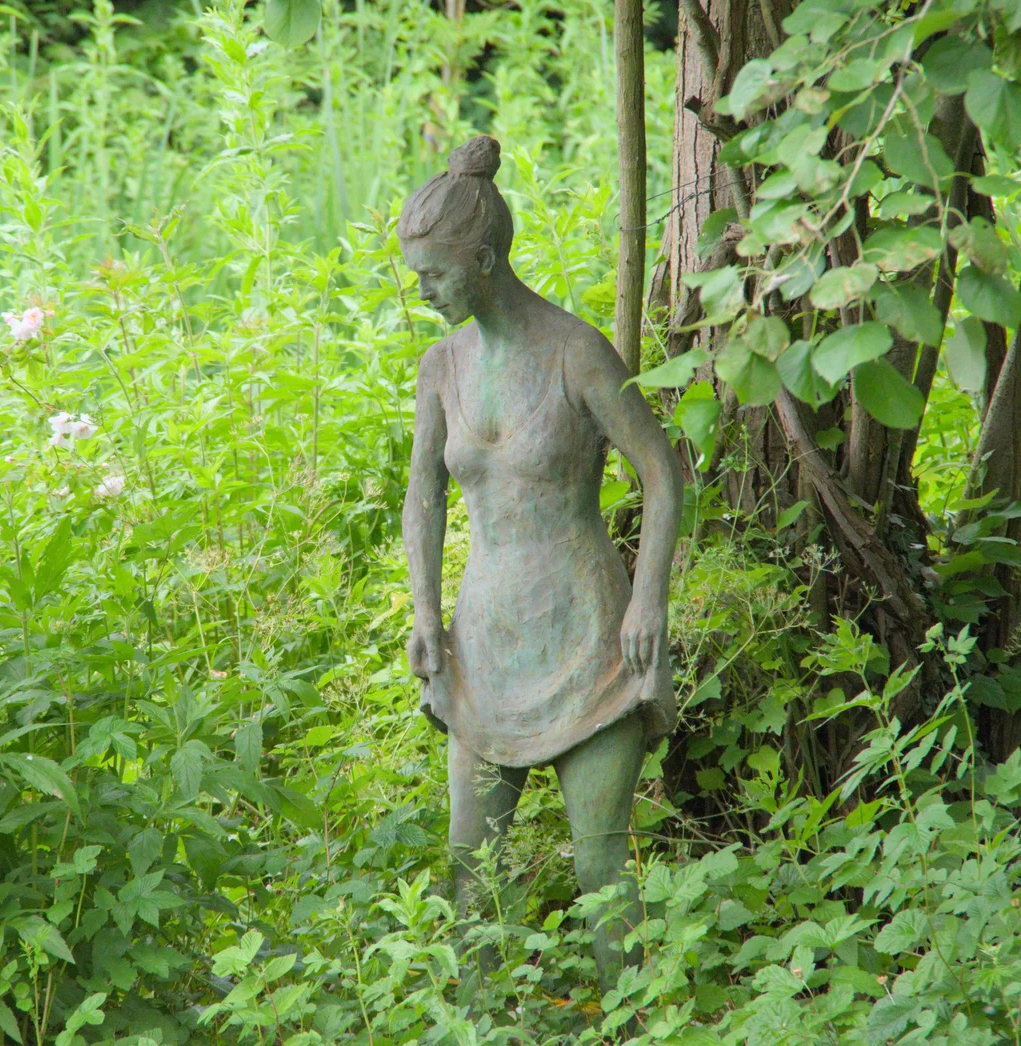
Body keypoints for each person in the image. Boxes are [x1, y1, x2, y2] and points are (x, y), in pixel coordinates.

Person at [399, 135, 685, 984]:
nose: (424, 293)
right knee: (469, 874)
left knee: (602, 871)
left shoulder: (575, 351)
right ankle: (485, 1027)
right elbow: (423, 498)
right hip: (484, 642)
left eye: (435, 275)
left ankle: (634, 1026)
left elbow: (662, 476)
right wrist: (423, 613)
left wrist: (650, 600)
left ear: (483, 260)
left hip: (590, 635)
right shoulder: (440, 366)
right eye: (417, 275)